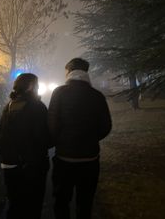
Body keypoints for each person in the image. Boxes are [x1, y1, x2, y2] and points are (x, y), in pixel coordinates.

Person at [48, 58, 112, 219]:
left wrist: (61, 141)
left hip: (64, 159)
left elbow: (52, 125)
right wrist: (91, 138)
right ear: (85, 73)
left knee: (62, 202)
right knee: (85, 203)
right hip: (90, 160)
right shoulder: (97, 96)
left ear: (69, 72)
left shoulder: (59, 93)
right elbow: (106, 126)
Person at [0, 73, 50, 219]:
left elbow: (2, 137)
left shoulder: (7, 107)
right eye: (37, 85)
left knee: (14, 205)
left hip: (9, 165)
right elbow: (44, 138)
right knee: (33, 206)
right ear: (31, 86)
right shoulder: (37, 107)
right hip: (32, 167)